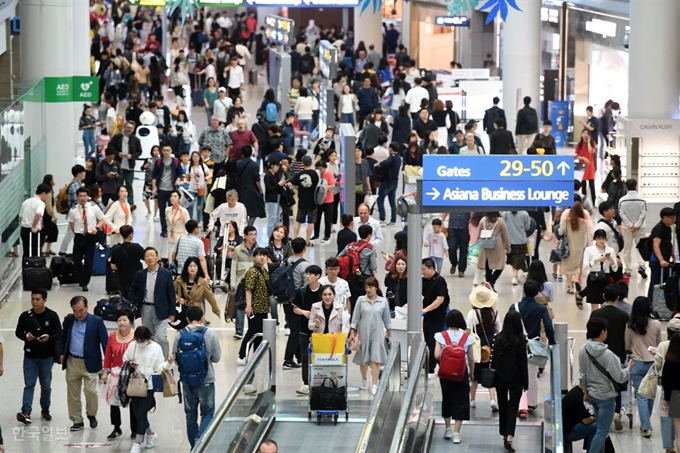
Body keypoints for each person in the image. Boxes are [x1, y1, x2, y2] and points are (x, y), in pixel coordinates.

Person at [579, 317, 632, 453]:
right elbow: (619, 377)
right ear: (602, 332)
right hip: (606, 397)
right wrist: (628, 369)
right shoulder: (609, 355)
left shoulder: (583, 350)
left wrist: (585, 391)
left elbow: (582, 375)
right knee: (603, 431)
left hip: (593, 394)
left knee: (599, 429)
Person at [172, 306, 221, 448]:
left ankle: (194, 448)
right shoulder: (209, 334)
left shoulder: (180, 334)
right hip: (206, 380)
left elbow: (175, 358)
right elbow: (216, 358)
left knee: (190, 415)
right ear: (202, 318)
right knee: (207, 414)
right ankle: (200, 441)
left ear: (187, 319)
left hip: (187, 380)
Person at [58, 296, 108, 431]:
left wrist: (108, 366)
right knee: (73, 393)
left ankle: (91, 414)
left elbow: (105, 343)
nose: (79, 314)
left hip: (90, 362)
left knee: (91, 391)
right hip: (72, 361)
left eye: (81, 310)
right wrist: (61, 353)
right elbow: (62, 337)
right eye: (75, 311)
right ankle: (77, 420)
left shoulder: (96, 321)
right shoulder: (69, 320)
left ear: (86, 307)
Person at [15, 288, 62, 425]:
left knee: (46, 385)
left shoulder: (52, 316)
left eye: (38, 299)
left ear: (44, 300)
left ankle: (45, 409)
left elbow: (59, 333)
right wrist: (25, 337)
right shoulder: (25, 316)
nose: (34, 302)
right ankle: (26, 411)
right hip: (30, 356)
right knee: (29, 384)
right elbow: (18, 332)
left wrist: (49, 338)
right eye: (33, 299)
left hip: (46, 357)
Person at [123, 326, 173, 453]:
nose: (140, 342)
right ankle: (150, 434)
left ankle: (137, 443)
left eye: (142, 340)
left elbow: (159, 366)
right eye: (138, 340)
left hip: (148, 385)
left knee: (142, 413)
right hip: (135, 383)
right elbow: (125, 359)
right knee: (137, 413)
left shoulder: (156, 348)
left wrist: (168, 364)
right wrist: (130, 364)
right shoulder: (133, 346)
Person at [509, 280, 555, 415]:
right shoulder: (540, 308)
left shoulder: (514, 306)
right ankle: (531, 404)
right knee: (532, 375)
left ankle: (518, 404)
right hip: (532, 345)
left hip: (516, 344)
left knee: (516, 375)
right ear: (536, 293)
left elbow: (508, 325)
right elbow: (548, 326)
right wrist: (552, 342)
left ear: (523, 291)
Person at [128, 247, 177, 358]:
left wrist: (172, 311)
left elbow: (171, 294)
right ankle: (151, 359)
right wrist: (132, 304)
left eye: (152, 255)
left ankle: (163, 361)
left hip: (162, 309)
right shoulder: (140, 274)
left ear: (157, 257)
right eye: (147, 256)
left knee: (161, 337)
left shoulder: (166, 274)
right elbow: (133, 289)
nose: (150, 258)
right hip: (145, 308)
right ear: (144, 259)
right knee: (148, 336)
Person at [434, 309, 474, 444]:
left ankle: (447, 428)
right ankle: (457, 432)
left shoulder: (440, 336)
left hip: (445, 373)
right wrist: (472, 373)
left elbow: (436, 355)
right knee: (461, 400)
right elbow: (472, 359)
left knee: (447, 398)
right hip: (461, 373)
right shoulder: (467, 338)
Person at [625, 296, 662, 437]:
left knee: (641, 396)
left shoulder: (630, 325)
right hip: (653, 363)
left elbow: (627, 345)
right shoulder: (656, 324)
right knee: (650, 395)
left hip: (637, 363)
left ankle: (646, 427)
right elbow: (659, 345)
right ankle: (646, 422)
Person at [349, 276, 392, 396]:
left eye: (371, 287)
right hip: (363, 333)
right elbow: (356, 318)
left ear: (376, 288)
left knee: (375, 359)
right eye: (366, 287)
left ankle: (374, 384)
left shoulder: (383, 302)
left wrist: (389, 335)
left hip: (377, 333)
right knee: (364, 358)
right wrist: (353, 332)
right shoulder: (361, 300)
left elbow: (387, 320)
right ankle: (364, 379)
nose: (368, 290)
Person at [493, 311, 528, 452]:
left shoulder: (498, 338)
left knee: (503, 407)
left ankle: (503, 433)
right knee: (513, 408)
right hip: (516, 380)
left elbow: (494, 361)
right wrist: (526, 383)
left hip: (500, 379)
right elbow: (522, 364)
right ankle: (509, 437)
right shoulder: (520, 341)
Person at [465, 285, 501, 411]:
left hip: (476, 346)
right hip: (491, 345)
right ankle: (492, 399)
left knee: (474, 374)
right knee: (491, 370)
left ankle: (472, 400)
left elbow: (468, 331)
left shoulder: (472, 313)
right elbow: (498, 330)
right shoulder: (494, 312)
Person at [101, 309, 136, 439]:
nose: (121, 323)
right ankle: (116, 427)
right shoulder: (112, 336)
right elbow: (108, 355)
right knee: (113, 401)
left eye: (124, 320)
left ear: (131, 321)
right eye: (119, 320)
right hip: (116, 373)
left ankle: (135, 428)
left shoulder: (136, 335)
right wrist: (105, 372)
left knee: (133, 402)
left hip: (132, 374)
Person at [69, 187, 107, 291]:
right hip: (79, 237)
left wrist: (97, 228)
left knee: (89, 261)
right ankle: (81, 277)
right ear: (77, 197)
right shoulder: (73, 210)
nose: (83, 198)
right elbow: (71, 224)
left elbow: (102, 219)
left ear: (87, 196)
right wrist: (77, 232)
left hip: (91, 237)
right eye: (80, 196)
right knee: (76, 260)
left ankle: (84, 282)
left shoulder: (94, 207)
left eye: (84, 196)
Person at [420, 258, 451, 377]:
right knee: (428, 341)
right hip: (427, 316)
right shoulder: (424, 281)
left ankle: (431, 369)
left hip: (438, 316)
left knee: (434, 342)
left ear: (431, 268)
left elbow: (440, 299)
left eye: (424, 269)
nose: (422, 272)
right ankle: (433, 364)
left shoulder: (439, 281)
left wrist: (426, 309)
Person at [654, 318, 680, 453]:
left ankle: (669, 447)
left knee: (667, 422)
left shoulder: (664, 347)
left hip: (673, 393)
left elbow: (659, 370)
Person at [230, 226, 259, 339]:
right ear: (245, 236)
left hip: (255, 281)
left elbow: (264, 265)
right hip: (241, 281)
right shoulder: (238, 249)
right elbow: (233, 267)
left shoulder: (259, 249)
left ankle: (253, 329)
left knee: (254, 306)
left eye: (255, 234)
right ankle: (239, 331)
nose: (253, 236)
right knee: (240, 306)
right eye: (251, 234)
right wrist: (233, 282)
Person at [174, 257, 221, 327]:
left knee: (197, 332)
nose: (192, 268)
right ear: (186, 267)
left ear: (198, 268)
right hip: (183, 310)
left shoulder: (202, 282)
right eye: (190, 266)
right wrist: (178, 299)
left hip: (197, 310)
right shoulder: (179, 280)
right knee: (183, 332)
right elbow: (171, 292)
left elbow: (210, 297)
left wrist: (217, 311)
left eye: (194, 266)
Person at [559, 200, 592, 294]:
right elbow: (587, 233)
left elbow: (561, 232)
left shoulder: (566, 220)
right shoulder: (584, 222)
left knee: (568, 268)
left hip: (568, 248)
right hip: (580, 248)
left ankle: (571, 288)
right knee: (577, 266)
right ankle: (577, 280)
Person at [579, 229, 618, 309]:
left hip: (605, 278)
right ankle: (594, 321)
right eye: (599, 239)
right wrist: (596, 260)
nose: (601, 241)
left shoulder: (610, 250)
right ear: (595, 239)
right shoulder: (589, 250)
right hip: (594, 277)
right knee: (594, 306)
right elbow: (585, 266)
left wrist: (611, 261)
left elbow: (615, 269)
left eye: (603, 238)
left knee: (605, 305)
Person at [109, 121, 143, 206]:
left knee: (129, 184)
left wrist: (132, 156)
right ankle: (118, 202)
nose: (129, 129)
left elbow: (139, 151)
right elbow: (110, 146)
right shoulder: (117, 137)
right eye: (127, 127)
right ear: (124, 127)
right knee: (118, 185)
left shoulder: (136, 140)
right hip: (118, 165)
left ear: (133, 129)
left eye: (131, 128)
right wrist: (117, 153)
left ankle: (131, 203)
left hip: (129, 166)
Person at [619, 179, 648, 278]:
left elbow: (621, 213)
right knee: (641, 247)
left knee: (627, 248)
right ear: (636, 186)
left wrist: (630, 225)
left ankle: (627, 269)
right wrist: (637, 225)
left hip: (627, 228)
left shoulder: (622, 200)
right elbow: (643, 213)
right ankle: (641, 266)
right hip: (640, 228)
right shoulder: (642, 199)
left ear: (626, 187)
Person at [474, 212, 511, 290]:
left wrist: (477, 244)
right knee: (500, 266)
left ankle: (489, 285)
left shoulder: (483, 220)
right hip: (497, 246)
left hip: (485, 246)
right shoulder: (500, 221)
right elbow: (505, 235)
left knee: (488, 267)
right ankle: (491, 282)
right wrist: (508, 246)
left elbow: (478, 234)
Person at [152, 146, 183, 238]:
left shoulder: (176, 161)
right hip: (161, 189)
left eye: (168, 150)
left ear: (171, 151)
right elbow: (154, 176)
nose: (166, 152)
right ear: (162, 151)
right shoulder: (159, 162)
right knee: (162, 210)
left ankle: (171, 229)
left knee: (171, 211)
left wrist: (178, 180)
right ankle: (164, 230)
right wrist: (154, 188)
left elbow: (180, 173)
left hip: (172, 191)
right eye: (164, 150)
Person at [289, 155, 320, 246]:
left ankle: (295, 238)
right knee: (311, 221)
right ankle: (307, 240)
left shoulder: (299, 174)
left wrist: (298, 188)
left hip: (302, 201)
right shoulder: (315, 174)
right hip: (313, 201)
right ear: (311, 163)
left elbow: (290, 184)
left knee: (298, 221)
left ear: (303, 164)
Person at [109, 225, 145, 304]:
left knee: (125, 301)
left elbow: (113, 266)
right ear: (131, 235)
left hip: (122, 280)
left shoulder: (116, 249)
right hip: (136, 278)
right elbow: (146, 258)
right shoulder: (136, 247)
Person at [647, 207, 676, 302]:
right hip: (657, 261)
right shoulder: (658, 229)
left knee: (665, 283)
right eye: (671, 217)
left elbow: (668, 243)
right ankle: (650, 303)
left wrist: (673, 256)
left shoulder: (668, 228)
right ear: (664, 217)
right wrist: (661, 260)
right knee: (655, 283)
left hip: (665, 260)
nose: (674, 219)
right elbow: (656, 246)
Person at [58, 165, 87, 255]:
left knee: (71, 232)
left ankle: (63, 250)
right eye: (83, 172)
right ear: (79, 174)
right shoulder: (75, 185)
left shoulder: (77, 184)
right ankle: (63, 251)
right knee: (72, 232)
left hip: (76, 212)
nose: (84, 174)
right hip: (76, 213)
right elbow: (76, 200)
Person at [562, 386, 596, 451]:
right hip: (567, 432)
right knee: (597, 427)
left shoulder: (575, 391)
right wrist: (597, 417)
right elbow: (586, 421)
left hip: (565, 427)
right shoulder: (578, 397)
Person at [19, 184, 50, 258]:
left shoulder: (26, 202)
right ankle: (34, 268)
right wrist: (33, 226)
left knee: (26, 252)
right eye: (47, 195)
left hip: (24, 229)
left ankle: (25, 268)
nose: (47, 197)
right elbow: (38, 214)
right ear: (43, 193)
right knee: (35, 252)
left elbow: (20, 217)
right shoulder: (41, 203)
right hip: (33, 231)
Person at [166, 191, 190, 261]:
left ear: (179, 199)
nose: (172, 198)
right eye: (171, 196)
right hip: (171, 237)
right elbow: (168, 223)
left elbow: (188, 225)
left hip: (180, 237)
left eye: (175, 197)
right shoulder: (167, 210)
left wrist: (186, 238)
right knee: (170, 257)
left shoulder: (184, 211)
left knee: (179, 258)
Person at [264, 160, 285, 238]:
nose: (277, 168)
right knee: (272, 217)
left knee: (276, 218)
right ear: (272, 166)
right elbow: (268, 188)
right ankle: (269, 235)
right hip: (271, 199)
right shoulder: (268, 175)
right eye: (276, 166)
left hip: (277, 197)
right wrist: (278, 185)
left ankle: (276, 234)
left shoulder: (276, 175)